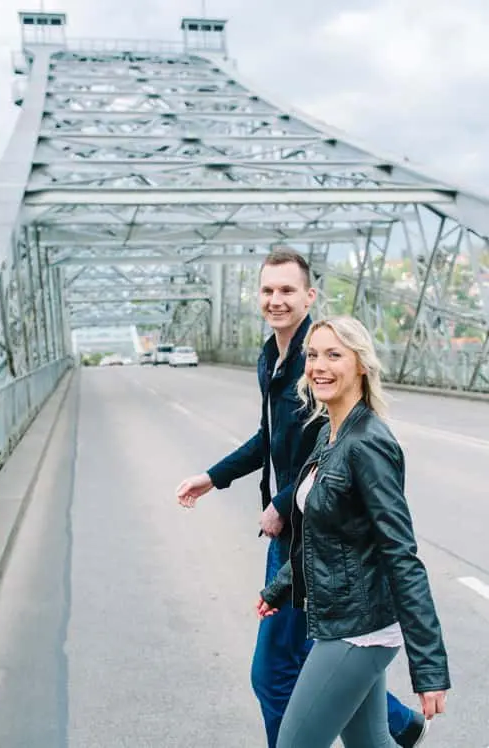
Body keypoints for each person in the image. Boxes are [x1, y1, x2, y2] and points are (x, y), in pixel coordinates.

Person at [174, 248, 427, 747]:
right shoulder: (272, 356)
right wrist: (213, 476)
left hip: (312, 538)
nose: (276, 300)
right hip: (299, 539)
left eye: (287, 290)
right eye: (267, 290)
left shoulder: (317, 363)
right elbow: (268, 437)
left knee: (274, 674)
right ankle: (400, 724)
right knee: (334, 657)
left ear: (309, 296)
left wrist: (281, 504)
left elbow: (331, 453)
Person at [256, 316, 449, 747]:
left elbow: (401, 556)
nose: (319, 365)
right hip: (343, 618)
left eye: (334, 354)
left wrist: (429, 669)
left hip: (358, 630)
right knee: (371, 743)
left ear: (360, 364)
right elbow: (324, 533)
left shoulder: (368, 443)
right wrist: (281, 587)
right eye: (313, 354)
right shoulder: (331, 432)